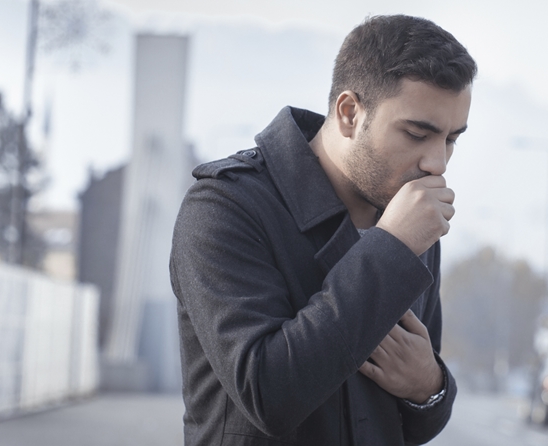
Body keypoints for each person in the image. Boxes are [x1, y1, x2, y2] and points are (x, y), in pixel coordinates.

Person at [169, 15, 476, 446]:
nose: (437, 163)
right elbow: (269, 396)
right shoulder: (225, 207)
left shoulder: (408, 214)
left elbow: (413, 423)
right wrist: (393, 247)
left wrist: (429, 385)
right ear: (349, 113)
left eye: (451, 139)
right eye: (416, 134)